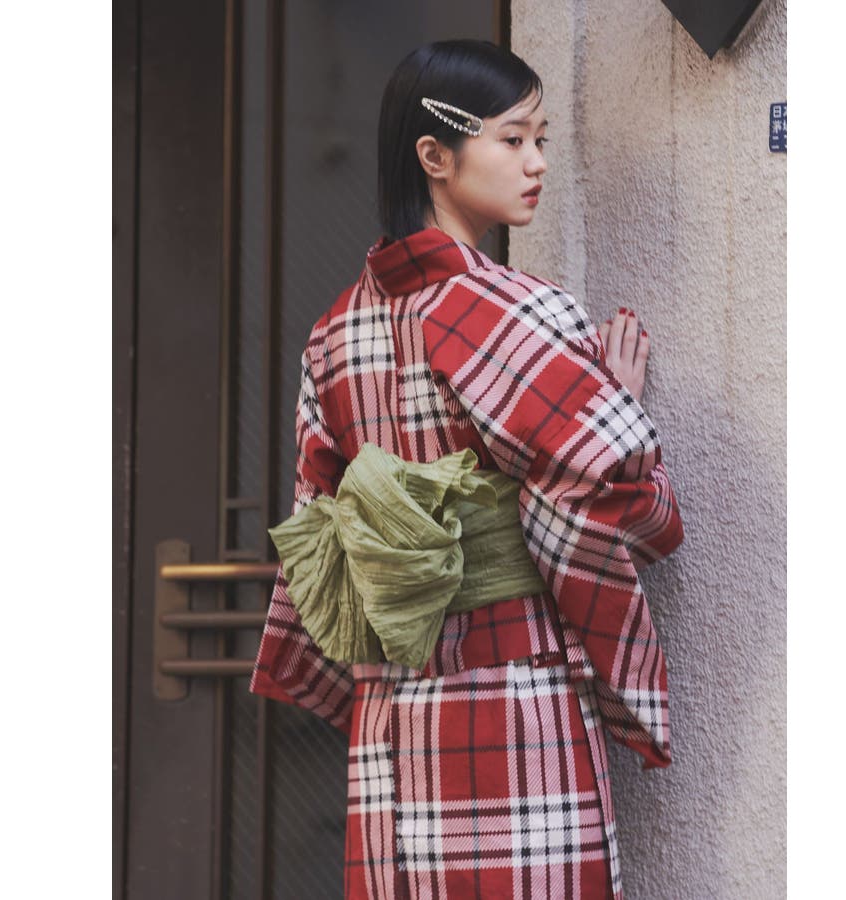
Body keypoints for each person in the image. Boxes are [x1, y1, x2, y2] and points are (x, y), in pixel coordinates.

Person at [250, 39, 683, 900]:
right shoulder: (525, 311)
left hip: (390, 711)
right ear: (435, 155)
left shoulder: (333, 335)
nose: (538, 162)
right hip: (516, 695)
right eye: (513, 139)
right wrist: (618, 411)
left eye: (542, 139)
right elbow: (607, 500)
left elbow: (317, 535)